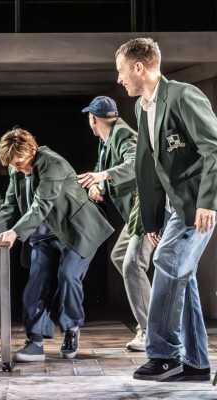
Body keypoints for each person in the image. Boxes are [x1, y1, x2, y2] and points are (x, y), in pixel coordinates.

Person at [116, 37, 217, 381]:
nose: (120, 80)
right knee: (181, 276)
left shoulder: (183, 96)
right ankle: (197, 363)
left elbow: (214, 149)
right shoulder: (142, 107)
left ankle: (164, 354)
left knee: (167, 262)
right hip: (174, 209)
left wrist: (208, 201)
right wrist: (152, 218)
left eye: (121, 72)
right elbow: (150, 167)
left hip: (198, 204)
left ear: (138, 67)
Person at [0, 128, 114, 362]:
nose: (18, 168)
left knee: (68, 276)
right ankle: (35, 341)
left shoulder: (52, 164)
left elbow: (41, 205)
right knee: (36, 284)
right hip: (43, 235)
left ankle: (71, 329)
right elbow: (10, 205)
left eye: (20, 163)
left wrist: (15, 232)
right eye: (13, 165)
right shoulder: (16, 169)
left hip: (76, 232)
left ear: (31, 150)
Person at [78, 96, 153, 351]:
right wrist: (98, 185)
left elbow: (134, 164)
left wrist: (103, 176)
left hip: (146, 207)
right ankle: (153, 319)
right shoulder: (106, 141)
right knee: (121, 256)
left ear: (93, 119)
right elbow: (104, 173)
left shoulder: (122, 134)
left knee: (132, 263)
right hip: (136, 211)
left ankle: (151, 330)